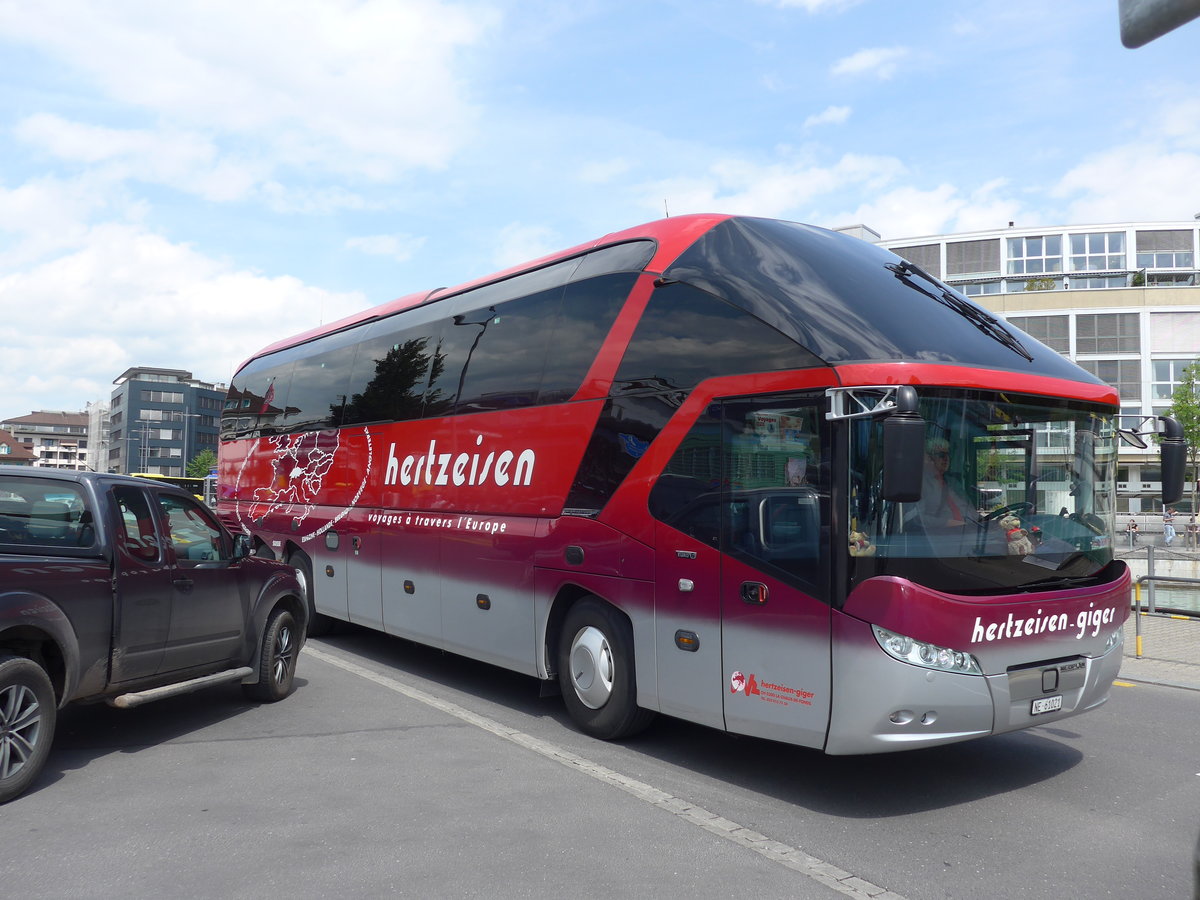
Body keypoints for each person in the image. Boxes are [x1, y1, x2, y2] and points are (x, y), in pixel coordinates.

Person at [918, 437, 973, 530]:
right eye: (941, 455)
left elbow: (969, 511)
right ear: (927, 458)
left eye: (948, 455)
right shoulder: (919, 485)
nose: (946, 459)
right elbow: (916, 519)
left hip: (966, 535)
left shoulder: (953, 483)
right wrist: (947, 523)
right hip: (938, 539)